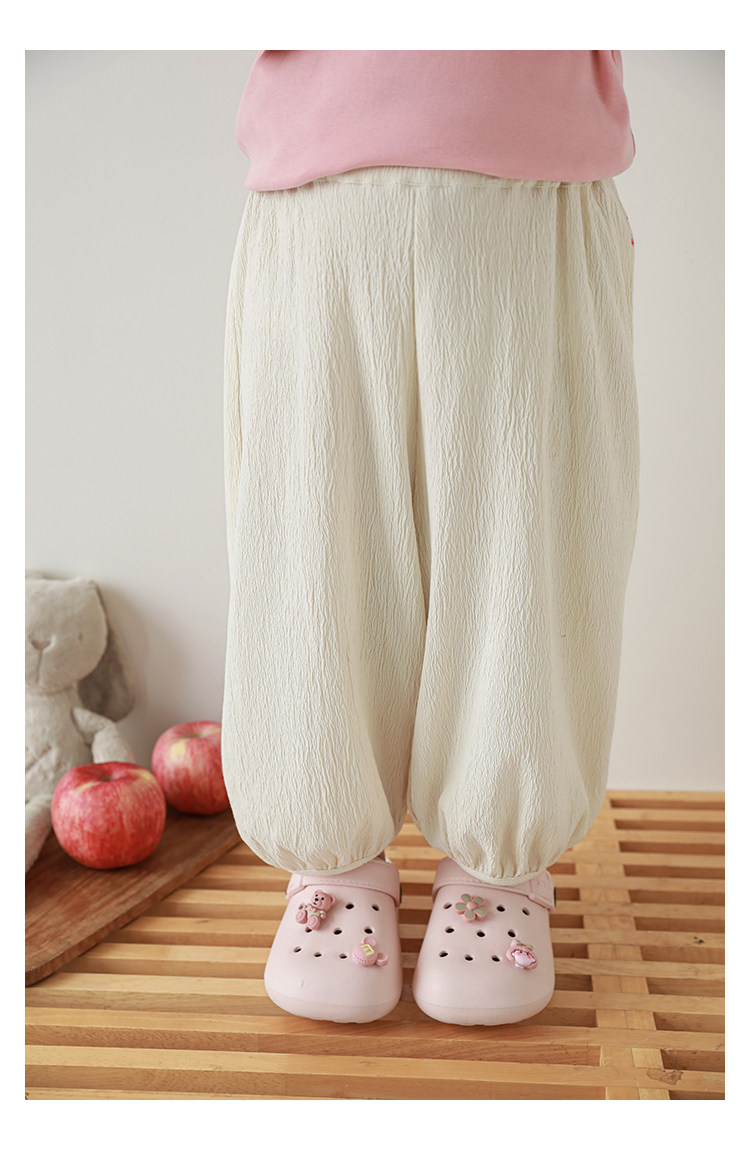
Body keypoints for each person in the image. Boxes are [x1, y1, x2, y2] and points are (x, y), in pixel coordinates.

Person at [221, 50, 640, 1026]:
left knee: (529, 534)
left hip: (534, 194)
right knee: (309, 538)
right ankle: (331, 860)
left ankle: (501, 867)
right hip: (322, 198)